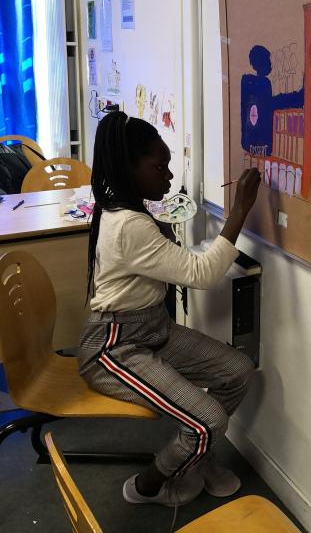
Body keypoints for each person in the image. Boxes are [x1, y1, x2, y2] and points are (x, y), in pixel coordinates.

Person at [77, 111, 261, 508]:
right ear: (130, 169)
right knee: (208, 421)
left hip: (152, 330)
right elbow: (202, 273)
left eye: (169, 165)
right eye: (159, 167)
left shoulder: (127, 209)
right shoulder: (128, 224)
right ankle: (146, 486)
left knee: (238, 370)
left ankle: (196, 456)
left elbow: (176, 264)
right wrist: (241, 209)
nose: (169, 176)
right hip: (113, 347)